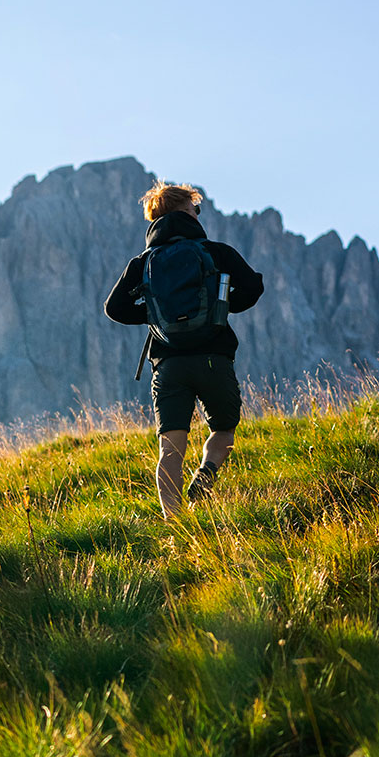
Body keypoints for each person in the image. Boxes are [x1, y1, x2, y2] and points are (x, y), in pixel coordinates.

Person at [103, 180, 265, 516]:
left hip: (168, 365)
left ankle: (175, 526)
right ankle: (206, 472)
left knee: (170, 449)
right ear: (185, 211)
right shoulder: (216, 252)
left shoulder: (143, 263)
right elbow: (252, 287)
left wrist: (153, 316)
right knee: (224, 429)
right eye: (195, 208)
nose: (198, 213)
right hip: (213, 356)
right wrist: (221, 308)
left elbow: (114, 308)